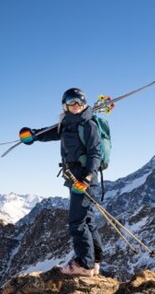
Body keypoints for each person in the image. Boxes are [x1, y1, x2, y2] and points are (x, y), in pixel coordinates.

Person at [20, 88, 103, 277]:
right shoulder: (67, 124)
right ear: (65, 104)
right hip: (75, 179)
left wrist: (87, 179)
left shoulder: (88, 125)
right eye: (72, 101)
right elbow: (49, 133)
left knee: (77, 221)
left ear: (84, 105)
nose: (76, 106)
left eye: (80, 102)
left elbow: (95, 154)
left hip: (84, 180)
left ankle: (84, 264)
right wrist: (32, 135)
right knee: (87, 219)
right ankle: (94, 261)